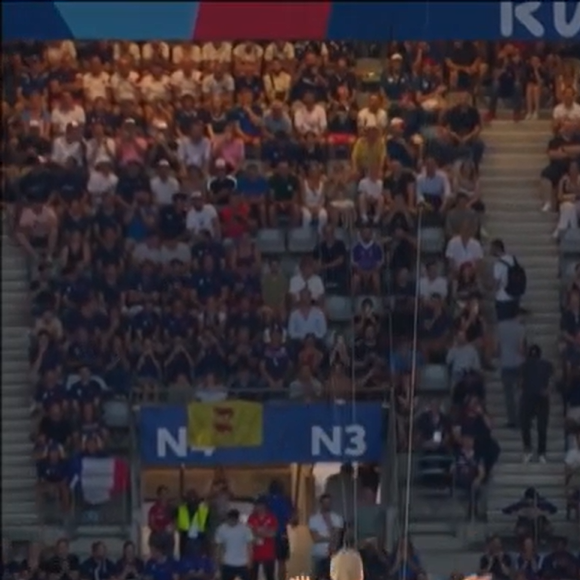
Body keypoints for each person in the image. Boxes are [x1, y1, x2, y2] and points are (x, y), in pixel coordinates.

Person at [520, 344, 553, 464]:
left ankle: (530, 450)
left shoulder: (524, 366)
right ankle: (540, 452)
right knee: (540, 427)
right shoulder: (546, 365)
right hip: (538, 397)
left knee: (528, 426)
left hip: (531, 398)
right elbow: (550, 381)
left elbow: (520, 382)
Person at [497, 310, 526, 428]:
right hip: (518, 364)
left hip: (505, 363)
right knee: (519, 393)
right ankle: (521, 418)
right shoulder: (520, 328)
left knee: (508, 395)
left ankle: (511, 420)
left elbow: (497, 348)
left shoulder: (500, 327)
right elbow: (520, 348)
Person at [308, 494, 344, 580]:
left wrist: (329, 523)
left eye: (328, 503)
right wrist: (330, 538)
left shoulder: (337, 518)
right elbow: (315, 538)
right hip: (318, 555)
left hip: (333, 556)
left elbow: (337, 538)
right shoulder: (313, 519)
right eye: (324, 503)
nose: (326, 505)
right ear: (320, 504)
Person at [491, 238, 524, 322]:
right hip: (514, 297)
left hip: (503, 298)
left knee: (503, 326)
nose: (490, 251)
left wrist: (489, 289)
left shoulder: (498, 264)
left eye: (492, 248)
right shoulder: (512, 259)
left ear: (497, 248)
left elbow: (496, 284)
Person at [214, 509, 253, 580]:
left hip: (243, 563)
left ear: (237, 519)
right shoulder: (221, 529)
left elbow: (249, 546)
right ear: (227, 518)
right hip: (227, 563)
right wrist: (218, 561)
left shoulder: (245, 529)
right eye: (230, 519)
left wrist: (250, 561)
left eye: (234, 520)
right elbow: (219, 547)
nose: (232, 522)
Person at [247, 497, 277, 580]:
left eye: (260, 505)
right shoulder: (252, 518)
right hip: (254, 552)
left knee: (269, 575)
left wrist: (258, 532)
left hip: (268, 552)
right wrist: (263, 532)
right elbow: (249, 532)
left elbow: (273, 533)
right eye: (257, 505)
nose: (258, 507)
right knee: (252, 576)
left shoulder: (271, 517)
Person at [175, 489, 210, 557]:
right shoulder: (181, 508)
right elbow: (174, 518)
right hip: (185, 538)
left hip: (199, 538)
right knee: (185, 560)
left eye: (194, 497)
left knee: (198, 560)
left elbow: (208, 522)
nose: (192, 499)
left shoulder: (203, 508)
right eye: (190, 497)